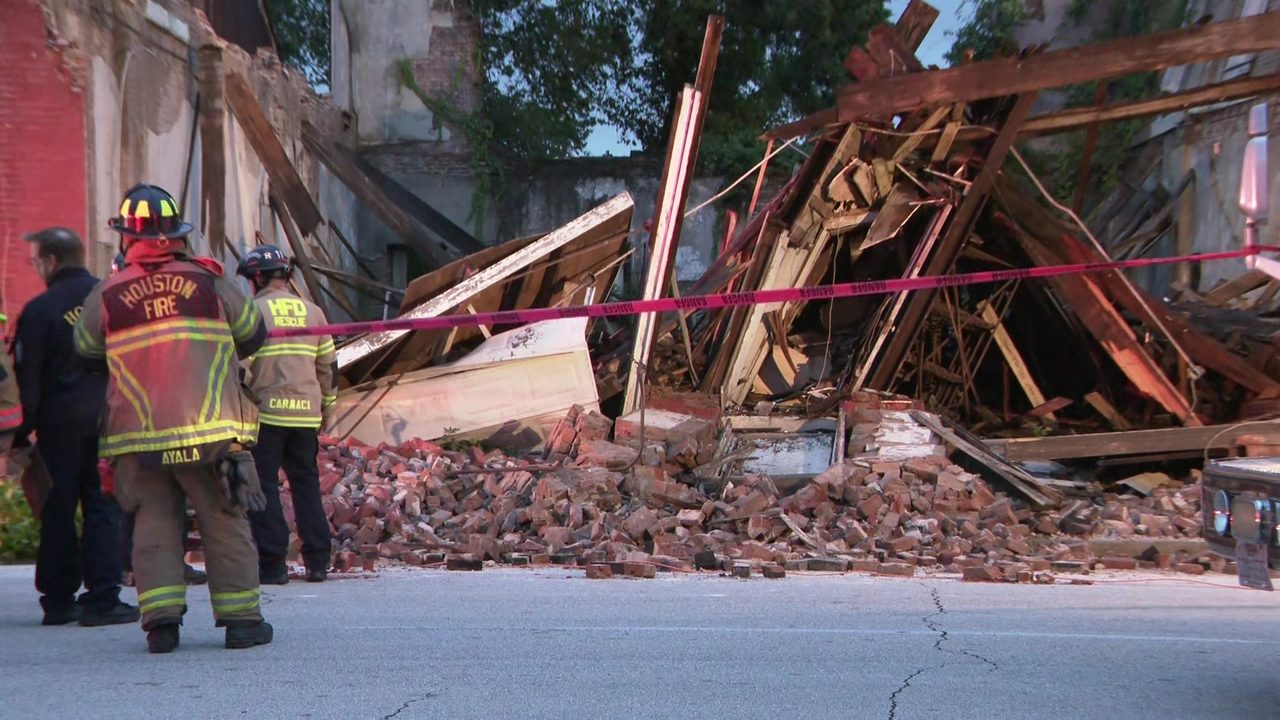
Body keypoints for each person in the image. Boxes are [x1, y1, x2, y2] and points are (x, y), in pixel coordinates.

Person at [74, 184, 272, 654]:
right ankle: (242, 621)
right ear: (178, 234)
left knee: (153, 523)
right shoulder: (209, 281)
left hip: (138, 437)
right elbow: (253, 333)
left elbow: (84, 350)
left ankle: (161, 624)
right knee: (224, 519)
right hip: (211, 430)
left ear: (126, 238)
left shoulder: (109, 293)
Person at [14, 228, 136, 627]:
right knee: (103, 506)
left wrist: (20, 433)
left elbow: (27, 379)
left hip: (58, 425)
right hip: (107, 419)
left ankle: (59, 599)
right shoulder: (112, 298)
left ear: (50, 260)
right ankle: (103, 596)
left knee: (58, 507)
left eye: (36, 262)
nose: (36, 269)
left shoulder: (39, 311)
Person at [237, 245, 337, 584]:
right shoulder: (313, 312)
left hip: (267, 416)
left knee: (263, 487)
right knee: (306, 485)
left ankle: (274, 564)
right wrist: (328, 405)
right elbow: (329, 366)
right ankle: (318, 561)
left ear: (258, 277)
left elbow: (239, 368)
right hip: (306, 416)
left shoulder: (252, 312)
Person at [108, 253, 207, 589]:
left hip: (139, 421)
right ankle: (138, 566)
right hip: (160, 417)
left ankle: (133, 567)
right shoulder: (138, 305)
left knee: (145, 497)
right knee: (154, 498)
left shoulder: (116, 306)